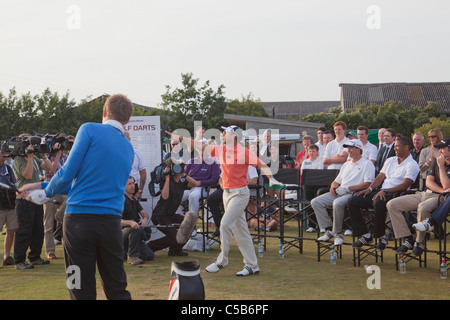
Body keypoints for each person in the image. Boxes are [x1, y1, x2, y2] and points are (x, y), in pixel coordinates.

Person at [19, 94, 135, 300]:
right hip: (111, 225)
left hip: (79, 222)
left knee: (78, 287)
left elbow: (68, 173)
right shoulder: (128, 147)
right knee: (117, 288)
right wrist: (41, 185)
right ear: (127, 120)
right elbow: (84, 181)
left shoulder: (89, 129)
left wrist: (45, 193)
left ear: (104, 112)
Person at [167, 125, 283, 277]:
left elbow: (261, 164)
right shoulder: (221, 149)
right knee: (241, 232)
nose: (222, 134)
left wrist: (271, 179)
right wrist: (181, 138)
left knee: (225, 224)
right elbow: (200, 145)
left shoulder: (244, 152)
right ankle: (252, 265)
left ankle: (222, 261)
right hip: (226, 194)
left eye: (225, 132)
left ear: (234, 136)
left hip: (240, 194)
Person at [349, 136, 420, 251]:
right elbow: (380, 177)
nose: (395, 149)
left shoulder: (412, 164)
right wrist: (370, 189)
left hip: (397, 194)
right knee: (353, 199)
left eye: (397, 146)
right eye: (395, 146)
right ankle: (365, 235)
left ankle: (381, 236)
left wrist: (386, 191)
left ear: (406, 147)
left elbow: (405, 185)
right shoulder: (390, 160)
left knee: (379, 202)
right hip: (381, 191)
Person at [386, 138, 450, 256]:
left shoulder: (439, 163)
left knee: (423, 207)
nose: (440, 151)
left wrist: (441, 166)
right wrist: (443, 190)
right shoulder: (436, 161)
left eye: (442, 148)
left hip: (438, 198)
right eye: (439, 148)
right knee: (392, 204)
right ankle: (407, 238)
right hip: (425, 193)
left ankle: (419, 242)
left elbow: (447, 184)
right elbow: (429, 183)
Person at [312, 139, 375, 246]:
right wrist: (333, 186)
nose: (348, 150)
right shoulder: (346, 165)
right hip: (340, 192)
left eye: (351, 148)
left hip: (354, 194)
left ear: (358, 149)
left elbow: (367, 184)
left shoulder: (367, 164)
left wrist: (348, 188)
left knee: (337, 203)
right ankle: (329, 230)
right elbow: (336, 181)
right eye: (348, 148)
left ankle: (337, 233)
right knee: (316, 202)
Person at [13, 133, 52, 270]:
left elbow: (50, 168)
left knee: (38, 229)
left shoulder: (34, 157)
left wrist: (43, 155)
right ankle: (19, 260)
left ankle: (35, 257)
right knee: (24, 230)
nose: (32, 145)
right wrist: (29, 157)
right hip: (23, 200)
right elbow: (28, 175)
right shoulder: (18, 159)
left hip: (36, 199)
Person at [147, 160, 200, 256]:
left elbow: (195, 184)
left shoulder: (181, 183)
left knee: (189, 224)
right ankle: (150, 247)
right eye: (177, 167)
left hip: (170, 215)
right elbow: (165, 196)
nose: (179, 168)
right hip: (160, 215)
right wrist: (167, 178)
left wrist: (184, 175)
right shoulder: (167, 181)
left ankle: (175, 250)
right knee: (175, 237)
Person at [43, 135, 68, 260]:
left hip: (65, 191)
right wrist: (57, 154)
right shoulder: (46, 156)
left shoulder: (67, 157)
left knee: (67, 219)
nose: (62, 147)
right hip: (51, 191)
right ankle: (49, 251)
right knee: (48, 223)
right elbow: (52, 170)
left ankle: (67, 248)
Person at [121, 176, 153, 265]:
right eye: (129, 184)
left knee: (150, 256)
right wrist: (130, 222)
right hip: (120, 235)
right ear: (123, 186)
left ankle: (124, 252)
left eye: (133, 183)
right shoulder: (120, 200)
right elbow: (116, 221)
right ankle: (132, 257)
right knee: (135, 228)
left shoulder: (134, 199)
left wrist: (145, 219)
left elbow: (145, 214)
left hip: (133, 236)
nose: (132, 186)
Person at [182, 145, 220, 216]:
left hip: (203, 188)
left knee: (193, 196)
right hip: (189, 188)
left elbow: (215, 180)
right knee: (174, 196)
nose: (202, 151)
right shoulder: (191, 162)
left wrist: (200, 183)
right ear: (197, 150)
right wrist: (187, 184)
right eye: (200, 149)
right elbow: (183, 176)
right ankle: (179, 218)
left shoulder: (213, 163)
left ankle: (192, 223)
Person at [0, 151, 18, 266]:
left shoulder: (8, 168)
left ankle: (6, 257)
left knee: (11, 231)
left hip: (10, 204)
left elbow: (14, 184)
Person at [124, 131, 147, 200]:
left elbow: (143, 172)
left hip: (133, 187)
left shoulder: (137, 153)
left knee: (133, 209)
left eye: (126, 138)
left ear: (129, 139)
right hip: (119, 187)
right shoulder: (114, 153)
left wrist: (140, 191)